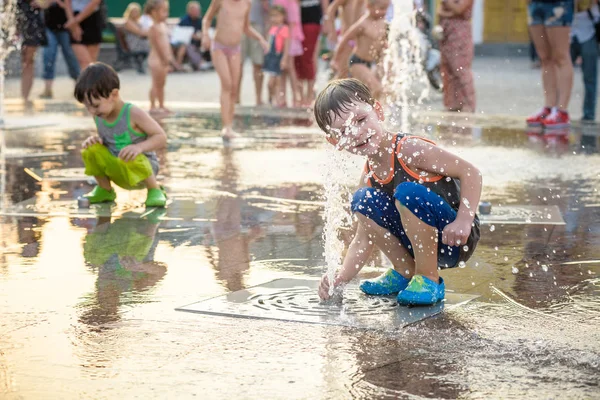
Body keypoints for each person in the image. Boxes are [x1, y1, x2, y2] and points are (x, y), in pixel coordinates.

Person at [313, 79, 481, 305]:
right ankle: (405, 272)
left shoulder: (409, 149)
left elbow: (470, 172)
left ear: (378, 111)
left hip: (454, 237)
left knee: (407, 192)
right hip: (417, 241)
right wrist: (341, 277)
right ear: (334, 141)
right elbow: (363, 239)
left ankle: (428, 278)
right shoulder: (369, 175)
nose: (357, 133)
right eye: (343, 131)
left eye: (361, 120)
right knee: (362, 200)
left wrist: (463, 221)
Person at [75, 62, 168, 207]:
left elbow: (161, 137)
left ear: (114, 94)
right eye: (87, 107)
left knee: (130, 153)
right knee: (90, 150)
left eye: (95, 105)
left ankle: (154, 190)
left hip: (142, 169)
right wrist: (96, 140)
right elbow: (107, 141)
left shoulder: (132, 113)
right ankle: (105, 189)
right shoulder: (99, 115)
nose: (92, 111)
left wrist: (139, 147)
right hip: (117, 168)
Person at [202, 0, 269, 141]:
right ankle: (225, 127)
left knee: (233, 87)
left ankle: (229, 126)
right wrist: (205, 35)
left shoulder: (246, 4)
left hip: (235, 49)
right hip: (219, 47)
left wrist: (260, 38)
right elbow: (206, 19)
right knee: (226, 84)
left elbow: (246, 28)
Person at [526, 0, 575, 128]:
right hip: (535, 4)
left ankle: (562, 111)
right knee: (544, 57)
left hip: (559, 4)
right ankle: (549, 107)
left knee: (561, 56)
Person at [332, 0, 390, 101]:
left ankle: (372, 111)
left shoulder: (383, 23)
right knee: (376, 88)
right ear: (368, 6)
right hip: (358, 63)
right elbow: (344, 40)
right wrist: (335, 59)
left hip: (373, 63)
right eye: (381, 9)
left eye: (386, 9)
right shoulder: (362, 24)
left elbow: (383, 42)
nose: (383, 12)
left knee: (378, 90)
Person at [438, 0, 476, 113]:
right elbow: (439, 11)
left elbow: (459, 9)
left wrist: (447, 7)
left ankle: (468, 103)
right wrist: (448, 13)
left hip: (460, 31)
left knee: (460, 68)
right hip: (446, 30)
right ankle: (453, 103)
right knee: (448, 68)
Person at [40, 0, 81, 99]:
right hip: (49, 27)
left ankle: (78, 85)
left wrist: (60, 3)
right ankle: (48, 88)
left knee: (71, 56)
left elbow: (71, 7)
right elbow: (41, 4)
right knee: (48, 55)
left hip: (66, 27)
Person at [570, 0, 598, 123]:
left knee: (590, 78)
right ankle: (557, 112)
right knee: (559, 75)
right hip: (566, 33)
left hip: (589, 32)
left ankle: (589, 115)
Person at [296, 0, 328, 107]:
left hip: (312, 21)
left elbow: (324, 2)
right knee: (297, 59)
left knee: (308, 57)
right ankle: (300, 96)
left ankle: (309, 95)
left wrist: (326, 20)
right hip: (296, 21)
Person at [272, 0, 304, 107]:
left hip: (290, 39)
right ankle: (282, 98)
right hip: (280, 40)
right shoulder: (278, 2)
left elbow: (292, 25)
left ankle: (296, 97)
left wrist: (287, 44)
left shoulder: (292, 3)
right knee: (282, 70)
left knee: (290, 68)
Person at [16, 0, 48, 105]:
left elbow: (47, 3)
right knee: (27, 62)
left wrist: (42, 3)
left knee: (28, 61)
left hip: (31, 20)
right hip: (12, 18)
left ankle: (25, 98)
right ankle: (24, 98)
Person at [325, 0, 366, 79]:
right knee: (342, 72)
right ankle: (333, 88)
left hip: (360, 42)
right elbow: (331, 10)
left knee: (357, 75)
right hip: (347, 41)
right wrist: (332, 32)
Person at [147, 0, 175, 115]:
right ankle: (153, 105)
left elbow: (166, 44)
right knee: (156, 83)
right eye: (163, 11)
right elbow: (157, 45)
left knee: (162, 83)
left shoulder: (163, 25)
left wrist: (170, 58)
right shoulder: (153, 28)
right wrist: (163, 58)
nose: (166, 14)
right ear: (154, 12)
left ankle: (162, 105)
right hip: (156, 59)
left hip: (164, 59)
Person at [238, 0, 268, 105]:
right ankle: (236, 98)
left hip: (257, 25)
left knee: (258, 63)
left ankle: (258, 99)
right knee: (237, 64)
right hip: (238, 25)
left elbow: (268, 8)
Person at [64, 0, 105, 70]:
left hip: (92, 17)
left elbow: (95, 2)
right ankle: (86, 79)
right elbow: (67, 2)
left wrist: (75, 21)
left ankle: (91, 80)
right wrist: (73, 24)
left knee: (92, 62)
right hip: (73, 17)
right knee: (84, 62)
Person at [263, 5, 290, 106]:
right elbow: (268, 41)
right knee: (271, 82)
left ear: (283, 16)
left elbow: (286, 46)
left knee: (277, 80)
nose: (275, 18)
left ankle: (277, 99)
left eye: (277, 16)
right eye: (273, 16)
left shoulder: (285, 29)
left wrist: (284, 59)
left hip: (278, 57)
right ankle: (270, 97)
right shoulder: (272, 28)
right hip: (271, 57)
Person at [174, 1, 207, 71]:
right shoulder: (184, 21)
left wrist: (202, 36)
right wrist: (193, 36)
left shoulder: (201, 20)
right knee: (188, 47)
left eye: (198, 10)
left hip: (199, 42)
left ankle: (210, 62)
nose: (197, 12)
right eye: (195, 10)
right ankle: (201, 63)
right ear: (189, 11)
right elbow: (179, 34)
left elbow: (204, 32)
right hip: (186, 43)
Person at [122, 2, 150, 74]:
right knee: (151, 45)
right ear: (129, 12)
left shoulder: (138, 21)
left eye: (136, 11)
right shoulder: (128, 22)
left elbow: (143, 32)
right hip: (134, 43)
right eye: (133, 11)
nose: (135, 13)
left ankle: (142, 64)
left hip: (140, 41)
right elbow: (140, 32)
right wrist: (152, 32)